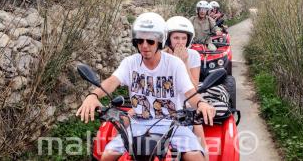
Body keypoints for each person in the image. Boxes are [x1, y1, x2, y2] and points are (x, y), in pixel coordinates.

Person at [76, 12, 216, 161]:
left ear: (160, 42)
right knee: (106, 155)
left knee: (195, 157)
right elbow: (112, 81)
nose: (144, 45)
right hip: (138, 123)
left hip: (172, 124)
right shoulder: (130, 63)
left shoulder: (175, 64)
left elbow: (190, 93)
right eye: (139, 40)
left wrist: (202, 104)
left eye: (150, 41)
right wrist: (93, 95)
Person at [165, 16, 208, 158]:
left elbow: (193, 88)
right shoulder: (160, 56)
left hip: (188, 104)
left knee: (198, 128)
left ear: (188, 40)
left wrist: (183, 63)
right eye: (176, 38)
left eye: (184, 38)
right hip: (166, 105)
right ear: (168, 38)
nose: (180, 42)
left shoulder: (193, 55)